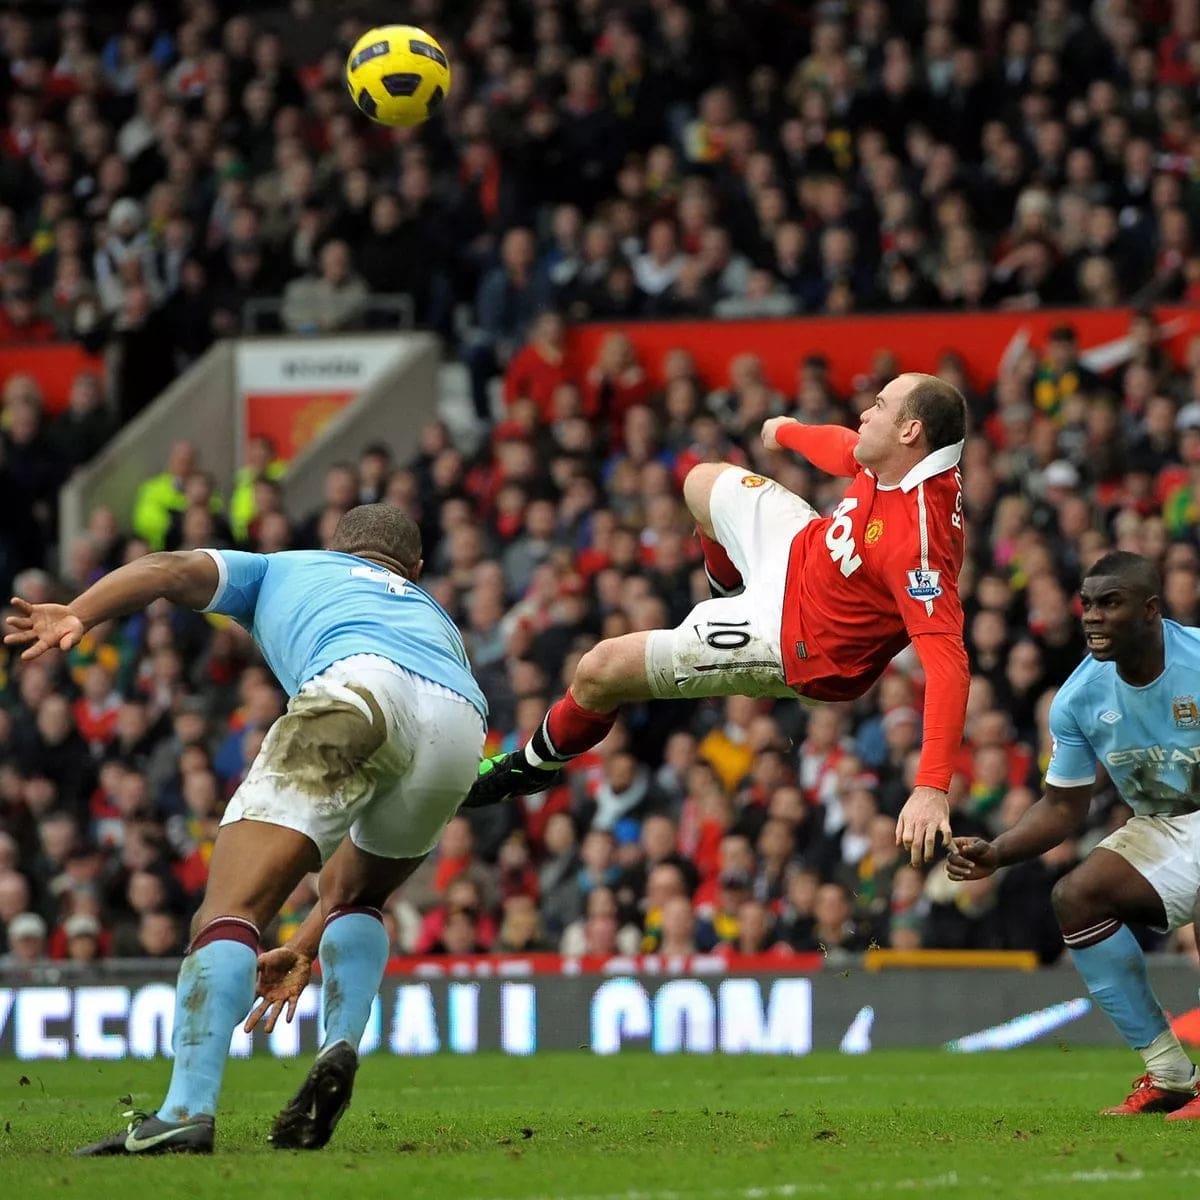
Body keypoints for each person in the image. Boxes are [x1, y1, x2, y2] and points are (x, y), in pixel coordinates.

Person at [5, 504, 486, 1155]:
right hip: (458, 720)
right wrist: (306, 942)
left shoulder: (286, 566)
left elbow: (169, 569)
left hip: (357, 684)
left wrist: (79, 611)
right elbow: (341, 889)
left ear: (336, 544)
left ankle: (185, 1109)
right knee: (358, 896)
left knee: (231, 909)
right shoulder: (435, 616)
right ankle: (340, 1041)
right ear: (417, 568)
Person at [468, 373, 969, 865]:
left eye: (879, 405)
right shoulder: (897, 460)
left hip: (798, 644)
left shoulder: (919, 545)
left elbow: (948, 666)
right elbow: (846, 450)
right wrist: (789, 432)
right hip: (803, 552)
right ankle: (728, 596)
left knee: (599, 668)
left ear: (910, 432)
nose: (865, 412)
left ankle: (529, 767)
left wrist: (930, 787)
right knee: (701, 481)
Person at [948, 552, 1200, 1120]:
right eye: (1087, 604)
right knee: (1075, 896)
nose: (1092, 617)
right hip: (1165, 824)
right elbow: (1063, 806)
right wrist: (999, 850)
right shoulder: (1079, 698)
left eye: (1110, 603)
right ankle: (1170, 1074)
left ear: (1151, 610)